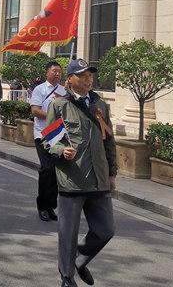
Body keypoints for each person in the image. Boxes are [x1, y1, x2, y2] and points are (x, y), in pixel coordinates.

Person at [46, 59, 116, 287]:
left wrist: (112, 172)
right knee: (68, 234)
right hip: (72, 179)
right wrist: (60, 149)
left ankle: (79, 260)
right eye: (83, 75)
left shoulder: (100, 105)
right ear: (71, 79)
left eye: (90, 74)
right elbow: (49, 142)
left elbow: (109, 141)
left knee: (105, 230)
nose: (89, 78)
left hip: (99, 178)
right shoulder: (59, 106)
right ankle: (66, 277)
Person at [30, 60, 66, 222]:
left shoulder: (64, 91)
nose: (57, 73)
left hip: (58, 136)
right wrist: (53, 118)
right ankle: (42, 206)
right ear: (47, 73)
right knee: (47, 169)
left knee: (56, 172)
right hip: (43, 135)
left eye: (59, 71)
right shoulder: (40, 89)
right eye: (54, 71)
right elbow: (35, 111)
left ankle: (51, 206)